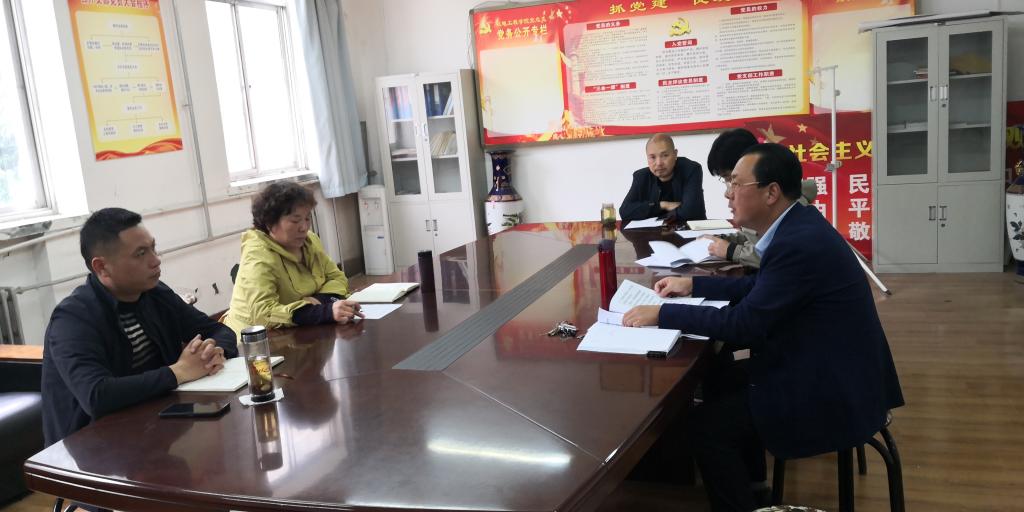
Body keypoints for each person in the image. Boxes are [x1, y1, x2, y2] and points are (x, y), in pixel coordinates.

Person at [622, 143, 904, 512]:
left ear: (771, 193)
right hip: (830, 363)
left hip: (832, 387)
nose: (728, 194)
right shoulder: (797, 224)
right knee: (720, 376)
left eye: (736, 184)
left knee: (705, 429)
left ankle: (745, 499)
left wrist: (662, 315)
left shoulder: (796, 243)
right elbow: (758, 286)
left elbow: (745, 324)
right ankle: (755, 489)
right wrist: (693, 285)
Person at [42, 208, 237, 447]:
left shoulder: (155, 294)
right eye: (141, 253)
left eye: (153, 248)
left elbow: (219, 331)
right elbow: (96, 395)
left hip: (158, 424)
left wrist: (213, 351)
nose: (156, 260)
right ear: (102, 267)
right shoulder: (73, 318)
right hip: (93, 447)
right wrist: (178, 372)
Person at [225, 182, 362, 335]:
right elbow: (263, 314)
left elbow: (337, 278)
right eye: (295, 221)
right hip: (258, 338)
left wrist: (318, 301)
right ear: (270, 223)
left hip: (303, 326)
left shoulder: (310, 241)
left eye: (307, 219)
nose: (304, 227)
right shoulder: (258, 255)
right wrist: (322, 311)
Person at [703, 128, 817, 268]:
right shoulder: (768, 209)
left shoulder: (789, 211)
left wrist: (731, 250)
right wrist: (724, 239)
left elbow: (775, 253)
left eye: (733, 181)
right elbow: (754, 237)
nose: (728, 193)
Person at [619, 133, 707, 223]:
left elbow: (690, 212)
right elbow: (625, 212)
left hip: (691, 229)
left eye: (665, 155)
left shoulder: (690, 169)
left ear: (675, 154)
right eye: (652, 157)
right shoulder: (641, 176)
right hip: (654, 231)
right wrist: (662, 205)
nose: (659, 163)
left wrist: (651, 212)